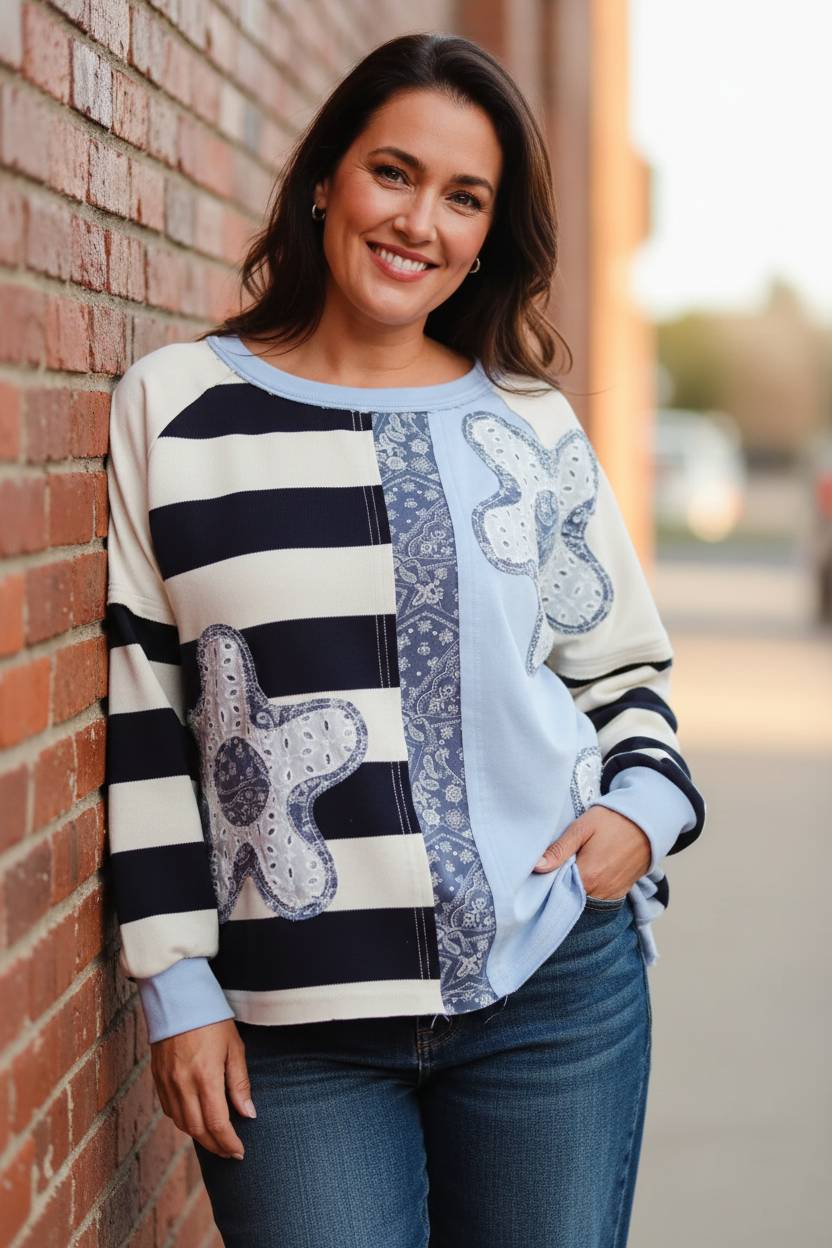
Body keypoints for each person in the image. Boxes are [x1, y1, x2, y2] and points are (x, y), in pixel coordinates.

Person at [103, 32, 706, 1248]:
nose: (418, 221)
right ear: (326, 179)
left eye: (463, 198)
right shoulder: (175, 409)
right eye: (393, 173)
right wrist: (176, 983)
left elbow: (620, 673)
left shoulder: (527, 425)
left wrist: (640, 816)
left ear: (486, 237)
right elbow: (146, 711)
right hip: (292, 1031)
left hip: (549, 994)